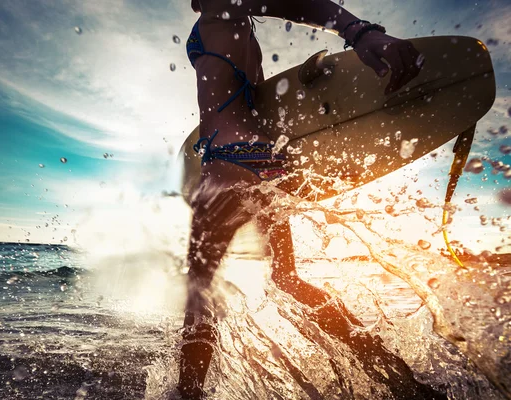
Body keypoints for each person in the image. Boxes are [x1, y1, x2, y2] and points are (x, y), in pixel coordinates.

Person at [179, 0, 425, 398]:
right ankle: (399, 379)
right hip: (267, 161)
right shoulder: (242, 29)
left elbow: (294, 2)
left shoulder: (224, 8)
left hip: (226, 163)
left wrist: (361, 33)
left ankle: (187, 395)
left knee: (198, 293)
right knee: (288, 278)